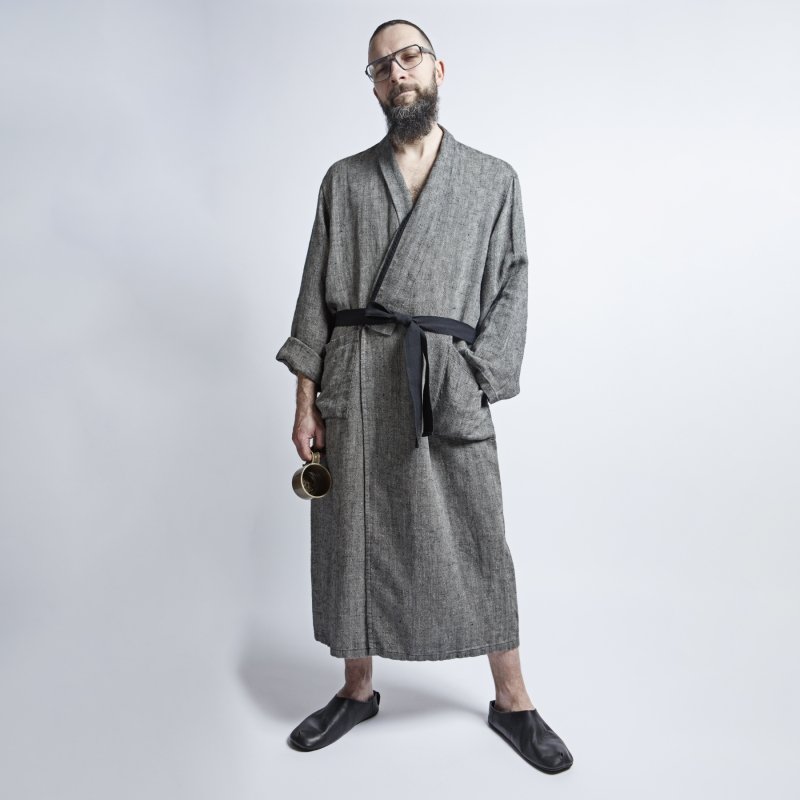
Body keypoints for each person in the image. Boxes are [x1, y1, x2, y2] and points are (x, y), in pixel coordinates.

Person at [275, 19, 573, 774]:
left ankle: (513, 701)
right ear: (373, 85)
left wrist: (477, 377)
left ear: (438, 68)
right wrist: (306, 400)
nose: (396, 72)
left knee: (475, 533)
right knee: (352, 538)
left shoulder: (491, 179)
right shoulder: (343, 181)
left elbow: (513, 285)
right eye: (380, 66)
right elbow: (314, 295)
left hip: (444, 383)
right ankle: (356, 688)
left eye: (408, 56)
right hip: (355, 382)